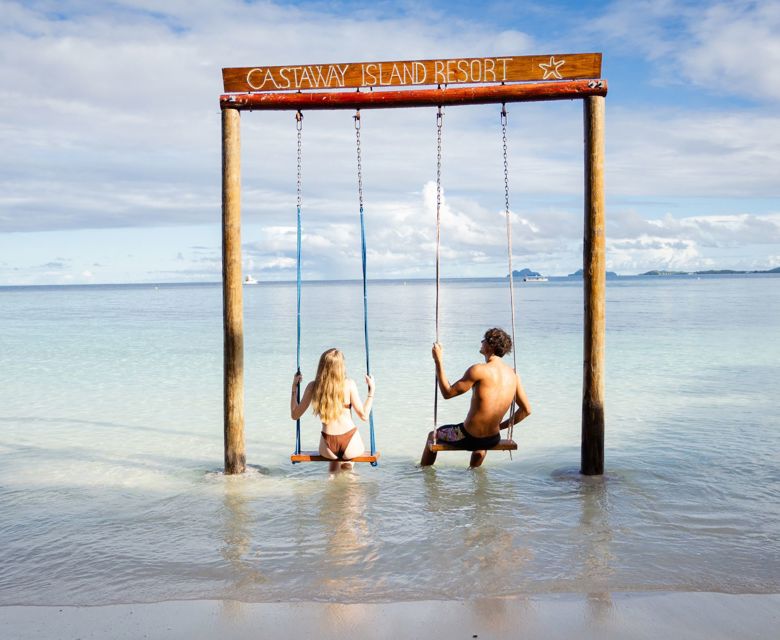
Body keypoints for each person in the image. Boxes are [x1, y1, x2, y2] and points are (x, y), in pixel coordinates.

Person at [420, 327, 531, 469]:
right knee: (481, 443)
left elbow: (447, 393)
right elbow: (526, 410)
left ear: (490, 346)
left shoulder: (478, 370)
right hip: (492, 439)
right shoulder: (513, 375)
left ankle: (422, 472)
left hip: (468, 437)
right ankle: (473, 471)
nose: (481, 342)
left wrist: (438, 361)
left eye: (484, 340)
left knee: (432, 436)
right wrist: (500, 427)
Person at [291, 348, 375, 473]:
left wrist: (294, 388)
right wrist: (371, 391)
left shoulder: (313, 386)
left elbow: (295, 415)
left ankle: (333, 476)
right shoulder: (349, 384)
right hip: (350, 441)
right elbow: (364, 416)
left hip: (327, 445)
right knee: (349, 460)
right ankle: (348, 466)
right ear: (341, 367)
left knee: (333, 465)